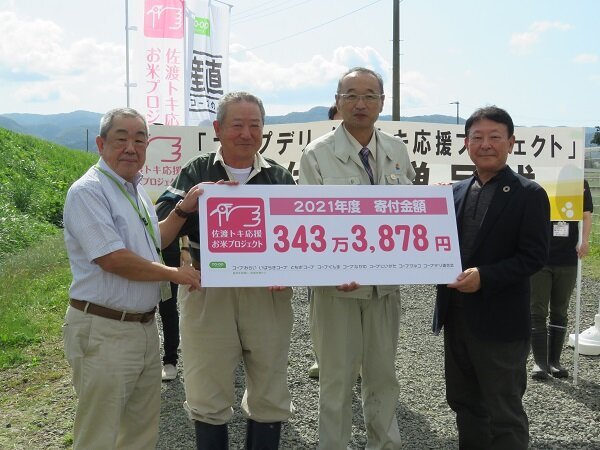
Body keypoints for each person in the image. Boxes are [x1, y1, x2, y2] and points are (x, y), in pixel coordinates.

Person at [155, 91, 296, 449]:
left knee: (269, 388)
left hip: (267, 294)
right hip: (207, 289)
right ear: (218, 128)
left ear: (264, 130)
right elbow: (162, 231)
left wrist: (290, 273)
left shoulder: (279, 177)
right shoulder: (197, 171)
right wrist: (190, 204)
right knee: (207, 391)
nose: (246, 134)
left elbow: (297, 241)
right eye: (237, 125)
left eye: (254, 125)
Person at [62, 107, 202, 449]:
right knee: (99, 434)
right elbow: (112, 258)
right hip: (103, 328)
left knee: (140, 431)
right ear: (100, 143)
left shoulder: (133, 188)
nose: (131, 147)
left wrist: (184, 208)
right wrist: (176, 274)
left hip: (142, 328)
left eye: (140, 139)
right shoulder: (88, 191)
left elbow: (156, 242)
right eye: (121, 138)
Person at [299, 67, 415, 449]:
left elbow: (410, 213)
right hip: (336, 291)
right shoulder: (316, 154)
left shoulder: (397, 149)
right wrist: (334, 269)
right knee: (336, 380)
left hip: (384, 287)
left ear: (383, 101)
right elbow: (310, 223)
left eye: (370, 95)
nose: (360, 103)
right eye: (351, 95)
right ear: (337, 101)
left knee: (383, 377)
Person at [433, 106, 550, 449]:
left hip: (500, 323)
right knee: (464, 403)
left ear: (511, 142)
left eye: (495, 137)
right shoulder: (453, 192)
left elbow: (533, 257)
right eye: (477, 137)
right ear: (466, 143)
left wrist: (485, 276)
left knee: (504, 410)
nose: (486, 144)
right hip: (456, 317)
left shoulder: (529, 194)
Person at [529, 179, 593, 380]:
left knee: (560, 310)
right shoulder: (537, 179)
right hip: (539, 258)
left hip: (567, 259)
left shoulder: (579, 181)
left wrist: (584, 241)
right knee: (537, 310)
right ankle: (540, 362)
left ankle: (554, 361)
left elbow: (586, 214)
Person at [308, 103, 343, 380]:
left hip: (379, 276)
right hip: (329, 263)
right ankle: (322, 358)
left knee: (380, 372)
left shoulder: (393, 150)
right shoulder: (317, 152)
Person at [158, 235, 191, 381]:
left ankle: (170, 361)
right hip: (140, 256)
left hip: (168, 255)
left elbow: (184, 219)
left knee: (168, 308)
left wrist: (185, 247)